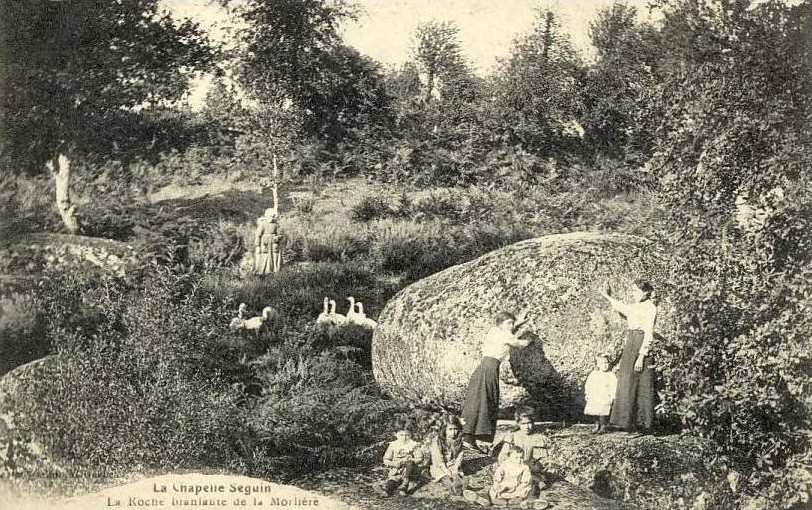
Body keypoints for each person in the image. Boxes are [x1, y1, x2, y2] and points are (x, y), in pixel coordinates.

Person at [461, 311, 533, 454]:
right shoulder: (503, 334)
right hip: (489, 368)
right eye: (508, 323)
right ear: (500, 323)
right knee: (484, 400)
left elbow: (507, 331)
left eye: (512, 323)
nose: (511, 326)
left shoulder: (494, 331)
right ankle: (470, 438)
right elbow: (519, 343)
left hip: (485, 368)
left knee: (479, 400)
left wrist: (517, 323)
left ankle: (470, 437)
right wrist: (530, 340)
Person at [599, 280, 658, 432]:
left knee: (642, 384)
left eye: (635, 290)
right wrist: (607, 296)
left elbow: (649, 334)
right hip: (630, 343)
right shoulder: (635, 306)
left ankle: (642, 425)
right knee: (627, 382)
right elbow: (622, 307)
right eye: (632, 290)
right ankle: (627, 423)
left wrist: (641, 356)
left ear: (645, 292)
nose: (633, 293)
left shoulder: (650, 308)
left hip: (640, 345)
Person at [497, 407, 550, 494]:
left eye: (529, 423)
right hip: (513, 467)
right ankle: (488, 497)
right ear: (518, 423)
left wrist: (529, 466)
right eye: (523, 424)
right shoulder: (512, 436)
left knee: (529, 481)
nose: (527, 427)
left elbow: (541, 461)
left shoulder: (537, 438)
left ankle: (531, 500)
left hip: (531, 470)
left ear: (533, 422)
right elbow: (503, 456)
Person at [463, 444, 533, 507]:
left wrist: (520, 487)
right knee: (492, 491)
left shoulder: (524, 467)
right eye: (516, 458)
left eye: (521, 457)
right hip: (503, 487)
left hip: (517, 488)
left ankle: (511, 501)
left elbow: (526, 480)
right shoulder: (504, 465)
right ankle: (483, 498)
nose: (519, 460)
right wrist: (497, 484)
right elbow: (498, 475)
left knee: (522, 493)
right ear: (509, 457)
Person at [382, 420, 425, 496]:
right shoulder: (393, 445)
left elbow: (420, 458)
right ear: (396, 434)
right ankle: (387, 490)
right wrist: (392, 463)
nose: (404, 438)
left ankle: (404, 485)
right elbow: (386, 459)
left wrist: (411, 460)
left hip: (410, 470)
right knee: (393, 480)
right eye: (401, 435)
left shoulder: (413, 445)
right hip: (397, 469)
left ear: (411, 435)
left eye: (407, 435)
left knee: (409, 464)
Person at [429, 415, 466, 496]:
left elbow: (460, 454)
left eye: (455, 429)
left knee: (456, 476)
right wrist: (446, 470)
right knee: (445, 477)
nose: (453, 432)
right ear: (444, 429)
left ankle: (462, 489)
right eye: (450, 429)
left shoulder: (459, 440)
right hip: (439, 465)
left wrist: (456, 467)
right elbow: (438, 458)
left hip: (452, 464)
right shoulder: (438, 441)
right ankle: (451, 487)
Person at [584, 353, 618, 434]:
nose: (605, 365)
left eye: (606, 363)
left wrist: (612, 396)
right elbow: (588, 384)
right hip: (595, 396)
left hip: (605, 396)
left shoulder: (610, 375)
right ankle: (597, 424)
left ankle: (603, 426)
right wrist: (587, 393)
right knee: (594, 411)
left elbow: (614, 386)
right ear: (598, 365)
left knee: (603, 411)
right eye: (602, 363)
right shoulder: (594, 374)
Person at [254, 208, 280, 275]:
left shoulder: (275, 225)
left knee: (274, 255)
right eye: (269, 216)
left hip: (273, 242)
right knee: (265, 255)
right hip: (265, 242)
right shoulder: (263, 224)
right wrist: (257, 245)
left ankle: (274, 270)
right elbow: (258, 234)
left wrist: (277, 237)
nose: (271, 218)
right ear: (266, 216)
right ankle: (263, 271)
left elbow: (279, 234)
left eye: (272, 216)